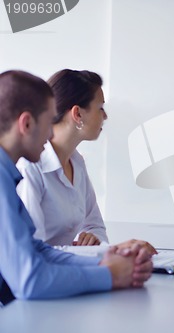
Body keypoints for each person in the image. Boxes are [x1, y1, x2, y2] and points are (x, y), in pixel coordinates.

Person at [0, 70, 153, 306]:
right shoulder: (11, 176)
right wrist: (109, 275)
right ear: (27, 123)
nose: (52, 133)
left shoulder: (7, 174)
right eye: (48, 123)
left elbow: (37, 250)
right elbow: (28, 278)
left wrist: (106, 259)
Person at [16, 69, 154, 254]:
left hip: (69, 269)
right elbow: (33, 253)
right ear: (78, 114)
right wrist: (112, 251)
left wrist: (94, 239)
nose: (105, 116)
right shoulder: (30, 168)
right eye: (100, 108)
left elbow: (96, 226)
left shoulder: (76, 162)